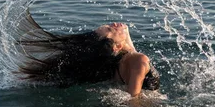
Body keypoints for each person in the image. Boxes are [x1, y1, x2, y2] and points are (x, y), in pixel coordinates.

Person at [16, 12, 159, 97]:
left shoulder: (116, 61)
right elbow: (134, 98)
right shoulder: (139, 60)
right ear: (117, 47)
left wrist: (122, 32)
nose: (115, 23)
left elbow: (129, 48)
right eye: (111, 28)